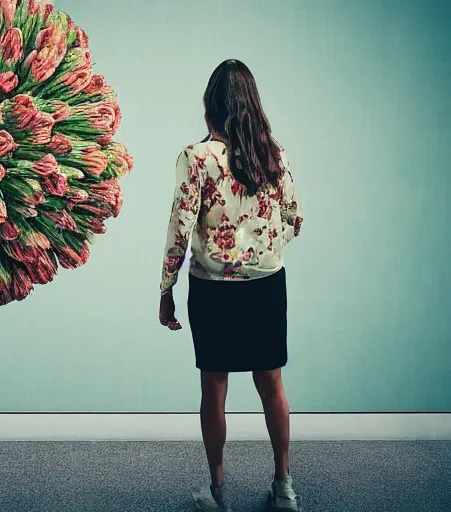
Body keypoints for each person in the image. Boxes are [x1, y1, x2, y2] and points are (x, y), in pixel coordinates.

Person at [158, 59, 304, 512]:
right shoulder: (274, 153)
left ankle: (218, 489)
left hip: (213, 290)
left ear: (211, 109)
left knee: (214, 387)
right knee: (271, 384)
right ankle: (283, 486)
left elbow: (179, 230)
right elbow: (296, 219)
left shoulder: (195, 158)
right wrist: (260, 243)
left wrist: (166, 290)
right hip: (265, 284)